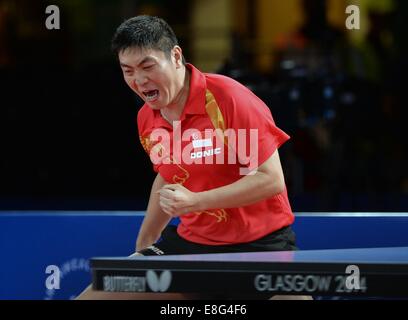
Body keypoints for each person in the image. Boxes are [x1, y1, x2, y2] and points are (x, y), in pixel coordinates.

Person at [77, 15, 306, 300]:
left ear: (175, 56)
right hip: (191, 247)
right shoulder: (147, 118)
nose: (139, 80)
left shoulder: (227, 98)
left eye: (147, 66)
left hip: (261, 248)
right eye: (128, 71)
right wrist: (145, 241)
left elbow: (269, 180)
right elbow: (169, 176)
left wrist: (197, 202)